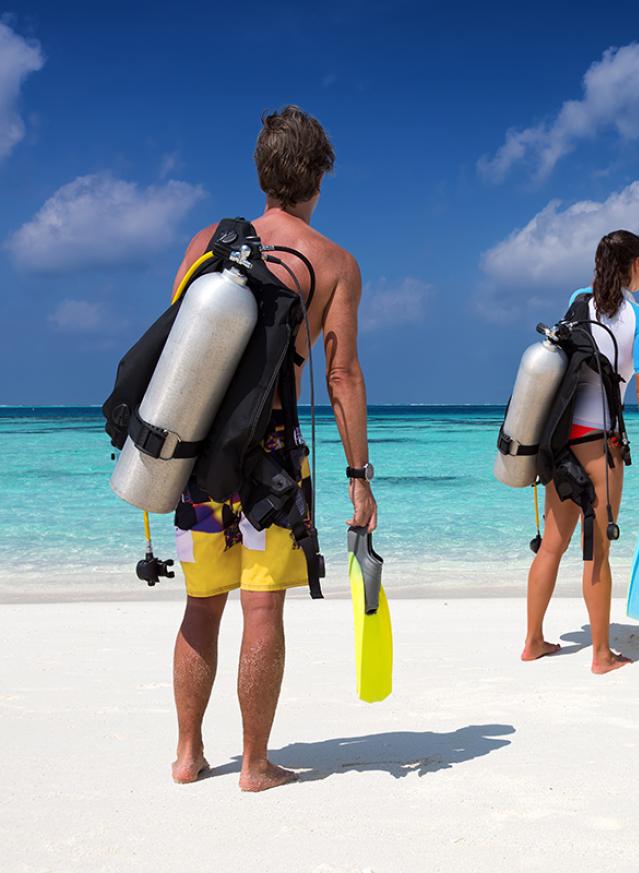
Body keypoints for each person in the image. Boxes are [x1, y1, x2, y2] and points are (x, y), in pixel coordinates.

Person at [169, 106, 377, 792]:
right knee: (262, 607)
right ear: (318, 176)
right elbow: (342, 377)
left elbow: (180, 352)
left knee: (201, 605)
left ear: (262, 173)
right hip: (275, 458)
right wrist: (359, 476)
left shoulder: (206, 240)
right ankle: (254, 764)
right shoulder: (333, 262)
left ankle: (188, 753)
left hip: (197, 455)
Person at [522, 230, 639, 674]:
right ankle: (602, 655)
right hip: (601, 446)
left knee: (552, 544)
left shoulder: (577, 300)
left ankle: (533, 641)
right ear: (634, 267)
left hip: (562, 442)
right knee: (597, 550)